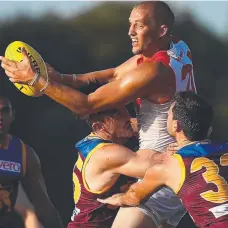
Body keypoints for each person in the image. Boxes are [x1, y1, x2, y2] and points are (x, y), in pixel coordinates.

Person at [0, 1, 196, 227]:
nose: (130, 32)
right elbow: (114, 73)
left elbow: (86, 105)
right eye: (130, 24)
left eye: (139, 26)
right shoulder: (179, 48)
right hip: (169, 170)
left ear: (161, 30)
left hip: (160, 176)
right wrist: (59, 77)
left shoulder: (152, 72)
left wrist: (36, 81)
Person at [98, 91, 228, 228]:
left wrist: (117, 199)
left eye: (168, 116)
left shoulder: (167, 165)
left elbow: (134, 197)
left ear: (176, 125)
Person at [68, 107, 172, 227]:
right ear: (100, 127)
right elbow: (163, 165)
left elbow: (134, 122)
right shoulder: (106, 154)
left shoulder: (107, 137)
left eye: (125, 109)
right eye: (117, 115)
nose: (127, 117)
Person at [0, 96, 63, 228]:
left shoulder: (23, 153)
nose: (0, 116)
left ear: (13, 115)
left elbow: (42, 204)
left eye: (5, 111)